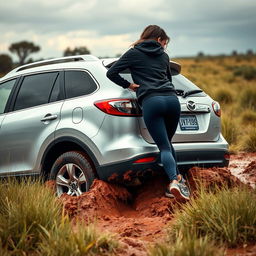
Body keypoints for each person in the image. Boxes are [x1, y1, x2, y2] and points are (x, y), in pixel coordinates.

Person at [106, 25, 190, 200]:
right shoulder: (164, 56)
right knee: (168, 144)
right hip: (172, 101)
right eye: (164, 43)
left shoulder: (133, 53)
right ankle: (177, 181)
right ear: (159, 39)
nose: (164, 47)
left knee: (164, 146)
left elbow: (111, 72)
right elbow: (168, 79)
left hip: (152, 101)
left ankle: (174, 181)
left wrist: (128, 85)